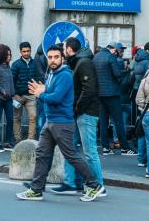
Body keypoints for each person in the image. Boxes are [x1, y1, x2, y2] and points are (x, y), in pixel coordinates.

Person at [16, 45, 104, 202]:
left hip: (62, 123)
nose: (53, 60)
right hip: (50, 122)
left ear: (62, 58)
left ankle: (94, 185)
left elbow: (55, 98)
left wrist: (40, 93)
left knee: (71, 155)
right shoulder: (51, 73)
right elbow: (50, 92)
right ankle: (36, 189)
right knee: (42, 154)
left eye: (56, 57)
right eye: (50, 57)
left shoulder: (65, 75)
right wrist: (43, 89)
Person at [54, 37, 103, 194]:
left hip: (86, 113)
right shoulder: (76, 62)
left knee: (90, 152)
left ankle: (98, 186)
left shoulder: (84, 63)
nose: (62, 51)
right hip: (77, 112)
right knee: (69, 148)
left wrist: (77, 108)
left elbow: (89, 90)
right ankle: (71, 183)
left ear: (69, 49)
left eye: (64, 48)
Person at [94, 43, 134, 155]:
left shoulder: (96, 57)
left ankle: (106, 148)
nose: (118, 54)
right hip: (112, 94)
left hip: (100, 94)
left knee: (103, 121)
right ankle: (124, 148)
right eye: (118, 51)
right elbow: (117, 74)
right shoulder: (110, 57)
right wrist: (126, 71)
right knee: (118, 122)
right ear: (113, 50)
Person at [11, 42, 41, 142]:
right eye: (24, 51)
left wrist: (37, 93)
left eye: (28, 51)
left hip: (31, 96)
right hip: (18, 96)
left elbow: (38, 77)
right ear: (20, 52)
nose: (26, 53)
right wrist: (14, 95)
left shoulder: (35, 63)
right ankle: (18, 140)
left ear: (30, 51)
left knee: (33, 117)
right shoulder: (16, 64)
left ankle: (30, 140)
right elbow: (12, 81)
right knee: (17, 118)